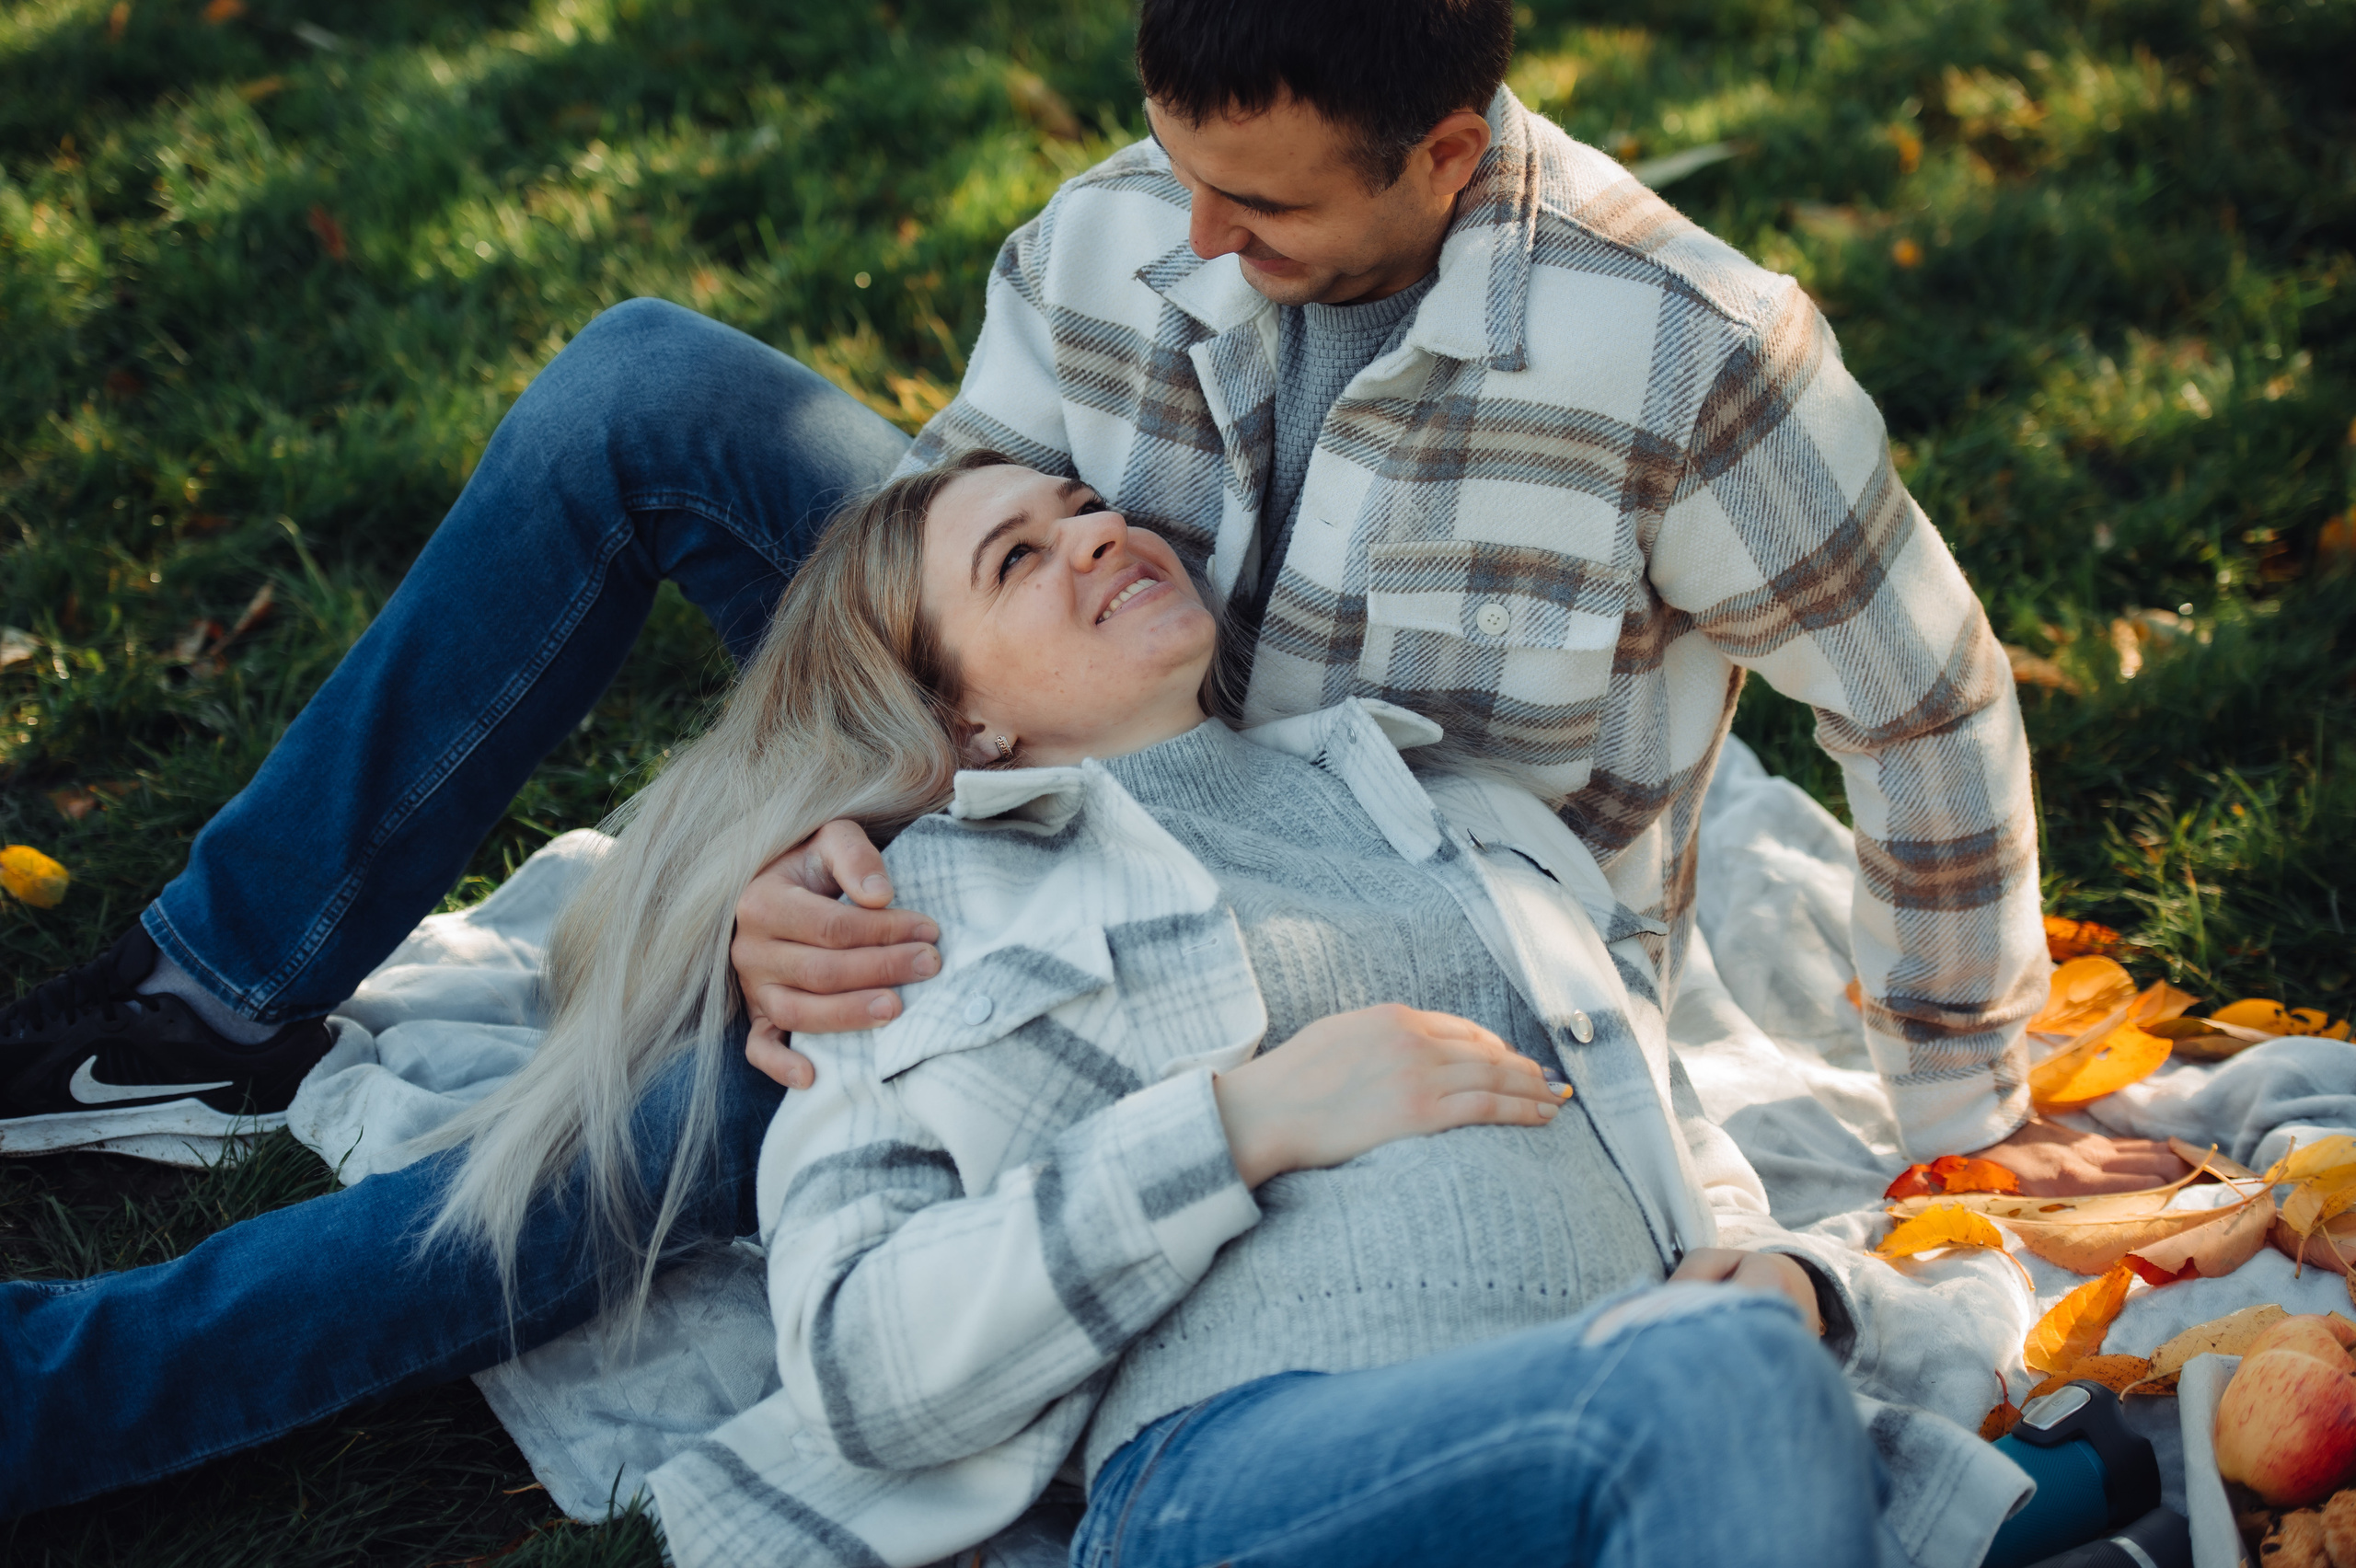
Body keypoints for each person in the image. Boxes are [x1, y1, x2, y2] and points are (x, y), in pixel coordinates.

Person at [0, 4, 2180, 1193]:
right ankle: (206, 1007)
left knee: (692, 1137)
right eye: (1174, 169)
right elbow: (938, 540)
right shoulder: (1125, 222)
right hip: (1058, 729)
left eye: (1258, 205)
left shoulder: (1693, 364)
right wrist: (832, 827)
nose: (1189, 240)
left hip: (1339, 918)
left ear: (1443, 146)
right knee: (643, 386)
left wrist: (1963, 1116)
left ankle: (88, 1409)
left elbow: (1920, 705)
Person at [6, 455, 2001, 1565]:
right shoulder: (928, 913)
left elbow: (1672, 1128)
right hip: (1250, 1473)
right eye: (1018, 557)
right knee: (1713, 1396)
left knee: (1740, 1368)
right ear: (959, 714)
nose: (1102, 537)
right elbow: (870, 1362)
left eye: (1086, 509)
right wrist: (1235, 1124)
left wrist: (1799, 1283)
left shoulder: (1461, 817)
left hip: (1586, 1406)